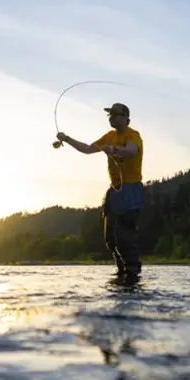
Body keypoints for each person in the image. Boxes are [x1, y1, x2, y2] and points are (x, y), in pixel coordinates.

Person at [56, 102, 144, 281]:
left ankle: (133, 274)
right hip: (115, 190)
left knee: (126, 235)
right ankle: (121, 271)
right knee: (110, 237)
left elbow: (131, 152)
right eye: (110, 115)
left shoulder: (133, 135)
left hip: (131, 190)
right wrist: (66, 138)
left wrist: (113, 149)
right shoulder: (110, 136)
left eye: (116, 114)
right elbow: (88, 149)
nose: (111, 117)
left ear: (126, 118)